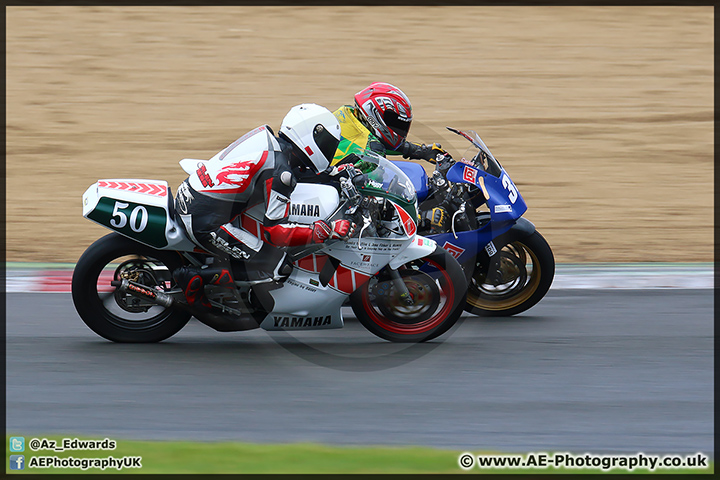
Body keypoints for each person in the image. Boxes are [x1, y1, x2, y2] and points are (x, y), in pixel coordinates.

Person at [173, 103, 354, 311]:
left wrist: (332, 174)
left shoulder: (271, 142)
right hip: (204, 220)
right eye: (326, 144)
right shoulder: (281, 173)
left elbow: (297, 172)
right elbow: (275, 233)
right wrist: (323, 231)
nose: (328, 150)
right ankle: (194, 278)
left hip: (193, 197)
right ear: (309, 136)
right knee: (276, 265)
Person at [332, 82, 449, 166]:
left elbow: (379, 141)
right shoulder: (372, 152)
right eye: (396, 124)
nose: (400, 131)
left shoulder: (347, 114)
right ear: (374, 114)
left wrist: (419, 151)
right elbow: (377, 182)